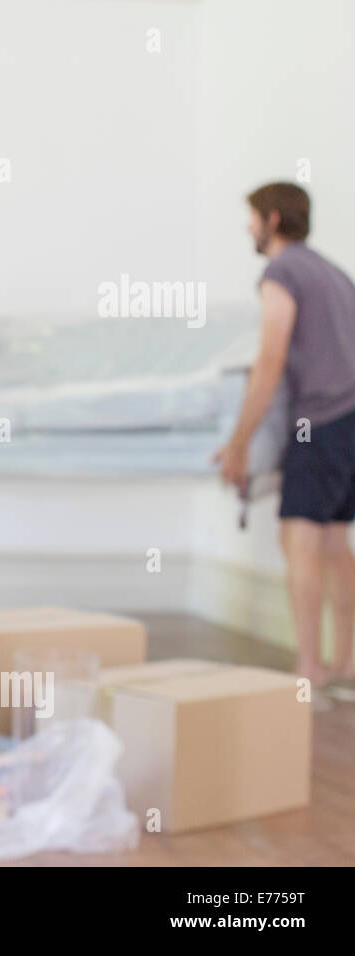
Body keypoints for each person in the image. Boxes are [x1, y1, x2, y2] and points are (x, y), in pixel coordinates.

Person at [215, 182, 355, 687]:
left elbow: (270, 360)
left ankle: (308, 668)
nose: (247, 227)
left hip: (316, 423)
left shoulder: (282, 271)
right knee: (336, 543)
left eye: (251, 217)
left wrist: (237, 443)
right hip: (350, 422)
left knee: (300, 541)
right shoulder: (333, 272)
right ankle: (345, 660)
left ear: (272, 219)